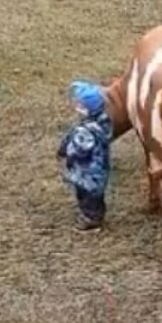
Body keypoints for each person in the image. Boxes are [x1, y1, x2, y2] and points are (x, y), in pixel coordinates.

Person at [57, 81, 113, 231]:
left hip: (86, 173)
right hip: (99, 171)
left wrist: (67, 150)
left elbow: (79, 149)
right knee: (96, 196)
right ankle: (97, 214)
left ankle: (91, 220)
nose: (77, 107)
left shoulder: (86, 131)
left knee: (86, 197)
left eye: (80, 105)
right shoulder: (103, 122)